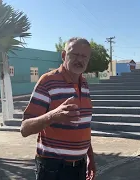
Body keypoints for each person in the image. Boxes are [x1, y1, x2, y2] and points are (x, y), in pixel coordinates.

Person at [20, 37, 96, 180]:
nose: (79, 59)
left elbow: (83, 127)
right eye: (74, 54)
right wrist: (53, 115)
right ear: (63, 55)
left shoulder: (84, 84)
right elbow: (24, 128)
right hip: (53, 169)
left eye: (84, 56)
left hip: (80, 166)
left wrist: (90, 157)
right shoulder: (47, 82)